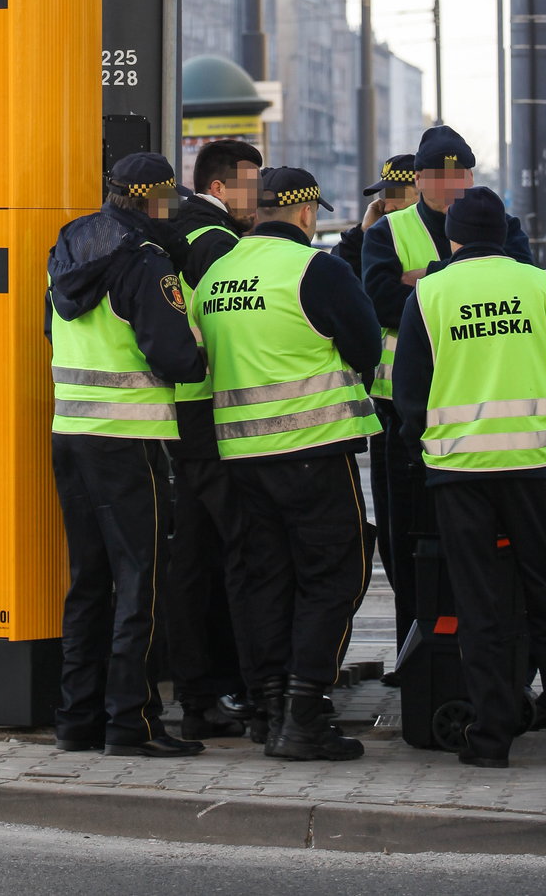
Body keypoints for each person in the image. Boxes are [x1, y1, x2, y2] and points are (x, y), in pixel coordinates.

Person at [393, 186, 546, 768]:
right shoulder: (538, 286)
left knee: (480, 609)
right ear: (503, 233)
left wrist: (425, 449)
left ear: (453, 236)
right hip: (533, 470)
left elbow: (409, 393)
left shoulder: (429, 294)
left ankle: (491, 738)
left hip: (458, 473)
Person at [194, 166, 382, 761]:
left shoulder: (215, 275)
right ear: (306, 213)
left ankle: (269, 708)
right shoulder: (315, 270)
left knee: (262, 583)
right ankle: (304, 714)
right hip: (314, 452)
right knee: (333, 577)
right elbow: (367, 345)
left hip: (240, 459)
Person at [47, 152, 206, 759]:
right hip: (129, 437)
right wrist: (198, 349)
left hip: (72, 431)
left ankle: (77, 718)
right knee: (142, 579)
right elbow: (172, 355)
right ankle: (131, 723)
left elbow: (51, 327)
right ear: (154, 200)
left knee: (89, 580)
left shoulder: (69, 244)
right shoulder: (145, 260)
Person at [361, 124, 531, 654]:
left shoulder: (501, 224)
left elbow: (520, 285)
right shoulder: (387, 232)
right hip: (401, 413)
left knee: (485, 544)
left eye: (460, 173)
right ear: (418, 180)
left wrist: (428, 278)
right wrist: (452, 281)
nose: (451, 184)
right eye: (439, 174)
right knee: (404, 540)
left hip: (482, 410)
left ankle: (482, 653)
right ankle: (414, 656)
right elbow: (382, 302)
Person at [165, 138, 264, 740]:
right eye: (252, 184)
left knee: (193, 559)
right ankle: (223, 687)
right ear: (221, 188)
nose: (261, 195)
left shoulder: (181, 232)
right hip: (211, 420)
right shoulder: (218, 244)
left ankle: (200, 695)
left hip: (180, 417)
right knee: (233, 557)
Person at [331, 154, 417, 589]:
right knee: (395, 533)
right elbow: (354, 288)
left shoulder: (443, 232)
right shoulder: (377, 238)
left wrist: (420, 279)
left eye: (395, 195)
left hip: (434, 403)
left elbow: (383, 301)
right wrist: (362, 233)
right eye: (383, 196)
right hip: (385, 404)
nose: (386, 203)